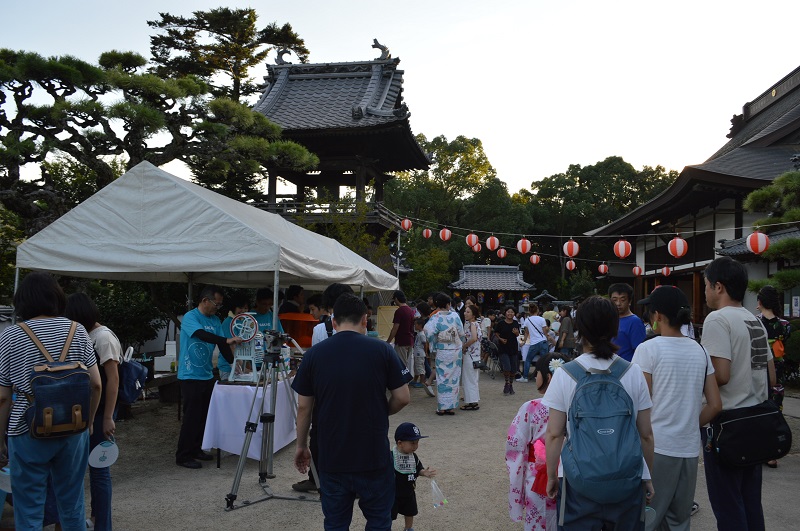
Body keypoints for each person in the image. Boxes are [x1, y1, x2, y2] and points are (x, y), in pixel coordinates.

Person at [292, 294, 411, 529]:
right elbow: (403, 397)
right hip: (373, 454)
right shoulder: (383, 351)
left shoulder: (313, 355)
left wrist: (301, 445)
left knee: (335, 522)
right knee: (379, 519)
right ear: (365, 320)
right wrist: (381, 411)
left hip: (332, 455)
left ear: (333, 322)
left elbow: (304, 407)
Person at [0, 272, 103, 530]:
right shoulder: (78, 330)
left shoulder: (10, 336)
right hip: (73, 426)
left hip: (26, 430)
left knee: (29, 509)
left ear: (22, 301)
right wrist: (89, 422)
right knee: (72, 504)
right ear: (57, 297)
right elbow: (97, 384)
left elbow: (3, 397)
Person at [542, 295, 655, 530]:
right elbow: (645, 435)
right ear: (615, 327)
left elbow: (554, 434)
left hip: (578, 482)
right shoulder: (633, 372)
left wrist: (553, 476)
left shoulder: (566, 374)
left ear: (580, 328)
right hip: (626, 481)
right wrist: (646, 475)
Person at [632, 286, 722, 531]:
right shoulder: (699, 349)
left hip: (657, 447)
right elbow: (715, 404)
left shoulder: (647, 349)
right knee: (679, 521)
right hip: (689, 449)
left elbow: (640, 403)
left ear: (658, 316)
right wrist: (689, 424)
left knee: (648, 517)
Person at [701, 256, 774, 530]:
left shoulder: (717, 320)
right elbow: (771, 375)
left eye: (707, 285)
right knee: (750, 502)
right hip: (756, 421)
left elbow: (721, 375)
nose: (706, 291)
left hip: (726, 426)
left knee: (728, 506)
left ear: (719, 287)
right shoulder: (754, 321)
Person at [65, 293, 123, 531]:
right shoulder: (84, 335)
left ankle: (103, 524)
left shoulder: (103, 338)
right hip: (87, 411)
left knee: (99, 471)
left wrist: (108, 417)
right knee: (89, 468)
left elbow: (113, 380)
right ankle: (96, 517)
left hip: (100, 415)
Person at [293, 283, 355, 494]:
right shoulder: (360, 327)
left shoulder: (320, 329)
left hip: (325, 391)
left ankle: (317, 478)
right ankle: (350, 480)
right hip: (351, 390)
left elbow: (314, 359)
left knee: (319, 435)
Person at [175, 286, 242, 469]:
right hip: (190, 375)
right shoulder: (190, 317)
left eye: (220, 305)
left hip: (206, 374)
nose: (217, 308)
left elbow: (223, 346)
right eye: (216, 304)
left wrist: (234, 364)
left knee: (204, 415)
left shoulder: (215, 320)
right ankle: (183, 455)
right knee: (191, 416)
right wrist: (225, 340)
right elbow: (201, 335)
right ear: (205, 300)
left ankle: (196, 449)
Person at [506, 353, 568, 531]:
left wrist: (518, 477)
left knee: (538, 520)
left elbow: (515, 447)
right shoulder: (575, 405)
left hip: (538, 475)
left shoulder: (531, 407)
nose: (536, 377)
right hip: (569, 472)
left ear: (548, 377)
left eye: (537, 373)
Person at [424, 293, 465, 415]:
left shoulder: (435, 317)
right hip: (455, 350)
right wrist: (460, 344)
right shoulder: (455, 316)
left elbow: (428, 332)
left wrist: (435, 343)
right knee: (453, 378)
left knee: (442, 378)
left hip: (442, 351)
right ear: (448, 304)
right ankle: (451, 407)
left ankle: (442, 407)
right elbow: (461, 333)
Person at [392, 422, 437, 531]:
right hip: (392, 494)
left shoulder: (414, 457)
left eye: (417, 443)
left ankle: (408, 528)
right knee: (389, 514)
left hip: (409, 492)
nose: (415, 446)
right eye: (412, 443)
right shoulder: (391, 457)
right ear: (400, 443)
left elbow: (418, 468)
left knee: (410, 512)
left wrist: (424, 472)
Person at [609, 283, 647, 361]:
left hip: (626, 368)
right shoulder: (608, 319)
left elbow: (640, 351)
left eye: (623, 300)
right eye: (614, 300)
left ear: (629, 301)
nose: (618, 303)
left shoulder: (635, 322)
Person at [218, 292, 250, 381]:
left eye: (246, 308)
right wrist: (241, 369)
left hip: (241, 366)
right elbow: (232, 346)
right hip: (228, 368)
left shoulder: (244, 321)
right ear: (234, 307)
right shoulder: (229, 322)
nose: (243, 311)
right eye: (240, 307)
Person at [386, 290, 416, 377]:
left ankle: (403, 383)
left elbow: (395, 328)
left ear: (396, 299)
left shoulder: (399, 311)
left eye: (394, 299)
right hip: (410, 340)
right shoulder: (410, 310)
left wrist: (388, 341)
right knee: (405, 362)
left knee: (401, 364)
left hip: (401, 341)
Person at [518, 304, 549, 383]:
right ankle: (545, 377)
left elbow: (526, 333)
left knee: (528, 360)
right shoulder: (542, 319)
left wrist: (524, 342)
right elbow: (545, 331)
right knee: (544, 361)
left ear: (529, 311)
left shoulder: (527, 320)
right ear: (537, 310)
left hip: (534, 343)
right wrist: (546, 338)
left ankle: (525, 377)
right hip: (543, 341)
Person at [495, 306, 521, 395]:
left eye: (512, 312)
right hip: (503, 348)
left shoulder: (516, 323)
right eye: (508, 312)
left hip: (513, 347)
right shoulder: (501, 323)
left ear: (514, 314)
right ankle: (507, 383)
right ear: (505, 313)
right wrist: (500, 339)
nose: (510, 313)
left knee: (513, 369)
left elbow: (518, 335)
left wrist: (517, 333)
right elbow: (496, 333)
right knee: (507, 367)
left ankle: (511, 385)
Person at [460, 304, 482, 411]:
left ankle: (471, 402)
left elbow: (473, 338)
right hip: (476, 355)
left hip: (470, 355)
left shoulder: (472, 325)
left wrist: (464, 346)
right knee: (473, 379)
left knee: (468, 379)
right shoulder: (476, 324)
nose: (465, 313)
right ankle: (473, 400)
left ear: (473, 314)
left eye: (468, 312)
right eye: (465, 311)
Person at [411, 318, 429, 391]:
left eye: (415, 324)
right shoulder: (418, 333)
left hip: (420, 353)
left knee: (420, 367)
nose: (414, 326)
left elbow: (425, 344)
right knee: (416, 367)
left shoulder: (422, 335)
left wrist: (426, 352)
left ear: (419, 325)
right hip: (417, 353)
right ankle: (415, 380)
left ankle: (422, 381)